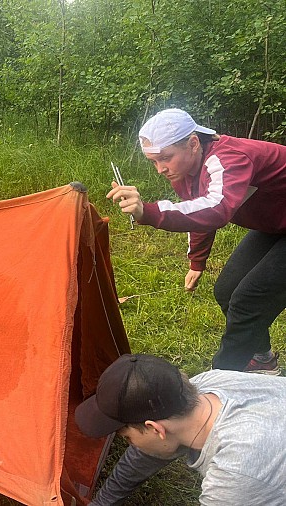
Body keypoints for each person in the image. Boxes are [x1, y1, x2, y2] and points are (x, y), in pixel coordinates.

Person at [107, 108, 286, 373]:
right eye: (153, 161)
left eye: (165, 158)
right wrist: (197, 261)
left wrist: (149, 211)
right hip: (276, 223)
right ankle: (261, 359)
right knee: (226, 292)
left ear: (193, 143)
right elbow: (198, 207)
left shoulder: (230, 157)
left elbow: (217, 207)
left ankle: (222, 380)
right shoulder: (187, 168)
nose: (160, 169)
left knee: (248, 302)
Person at [75, 353, 286, 505]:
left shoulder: (236, 474)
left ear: (156, 429)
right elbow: (145, 455)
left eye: (128, 437)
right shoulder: (206, 385)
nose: (131, 444)